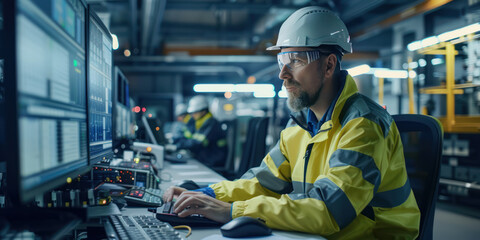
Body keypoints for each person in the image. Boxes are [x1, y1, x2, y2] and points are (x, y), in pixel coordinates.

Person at [163, 6, 420, 239]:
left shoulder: (363, 126)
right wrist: (208, 195)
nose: (282, 74)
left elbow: (328, 210)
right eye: (281, 62)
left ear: (329, 65)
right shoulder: (298, 126)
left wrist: (233, 211)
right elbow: (263, 182)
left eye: (295, 60)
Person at [173, 95, 227, 167]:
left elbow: (197, 143)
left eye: (195, 112)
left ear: (203, 111)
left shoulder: (211, 124)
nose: (192, 115)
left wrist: (177, 146)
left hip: (212, 162)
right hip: (205, 159)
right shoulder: (201, 122)